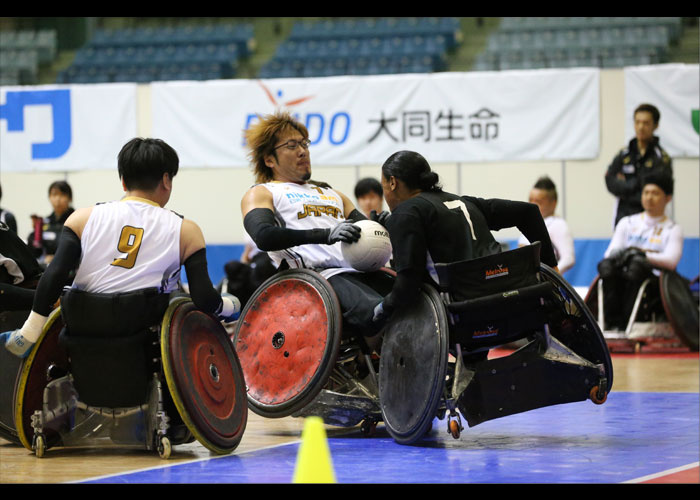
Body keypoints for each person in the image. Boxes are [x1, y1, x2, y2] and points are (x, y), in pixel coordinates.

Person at [2, 138, 240, 358]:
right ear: (166, 180)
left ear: (123, 181)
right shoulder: (186, 230)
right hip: (145, 337)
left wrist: (31, 329)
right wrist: (231, 305)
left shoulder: (80, 218)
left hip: (82, 329)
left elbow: (53, 277)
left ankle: (29, 334)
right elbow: (204, 298)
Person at [240, 110, 385, 338]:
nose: (302, 151)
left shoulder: (332, 193)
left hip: (357, 271)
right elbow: (265, 236)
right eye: (291, 145)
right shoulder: (263, 192)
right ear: (269, 159)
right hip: (314, 278)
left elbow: (364, 229)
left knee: (411, 297)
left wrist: (378, 227)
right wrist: (325, 234)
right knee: (379, 311)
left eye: (304, 144)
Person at [371, 150, 558, 327]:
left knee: (381, 309)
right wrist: (553, 269)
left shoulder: (406, 213)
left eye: (383, 186)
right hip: (511, 296)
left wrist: (382, 307)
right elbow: (529, 212)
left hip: (463, 310)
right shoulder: (465, 202)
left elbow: (408, 286)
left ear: (393, 182)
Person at [597, 172, 682, 330]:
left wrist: (642, 254)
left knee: (636, 265)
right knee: (606, 266)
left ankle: (628, 322)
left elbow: (671, 261)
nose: (649, 197)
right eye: (646, 192)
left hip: (653, 281)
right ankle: (610, 322)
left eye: (655, 193)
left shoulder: (672, 229)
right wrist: (626, 255)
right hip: (624, 272)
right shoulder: (627, 222)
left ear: (668, 198)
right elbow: (610, 253)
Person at [605, 103, 673, 228]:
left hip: (652, 219)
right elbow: (610, 180)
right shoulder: (624, 154)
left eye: (646, 123)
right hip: (624, 217)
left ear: (656, 126)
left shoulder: (661, 158)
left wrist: (627, 186)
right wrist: (635, 184)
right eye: (637, 122)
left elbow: (661, 190)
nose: (641, 127)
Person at [517, 176, 575, 274]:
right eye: (530, 200)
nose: (532, 205)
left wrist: (551, 275)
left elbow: (568, 258)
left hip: (544, 283)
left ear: (553, 203)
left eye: (539, 202)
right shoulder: (528, 223)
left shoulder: (558, 224)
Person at [27, 180, 75, 266]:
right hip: (47, 267)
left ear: (70, 198)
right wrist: (36, 233)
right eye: (54, 194)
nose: (58, 199)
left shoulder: (75, 220)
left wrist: (56, 258)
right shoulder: (45, 222)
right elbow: (35, 250)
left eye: (62, 195)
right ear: (49, 197)